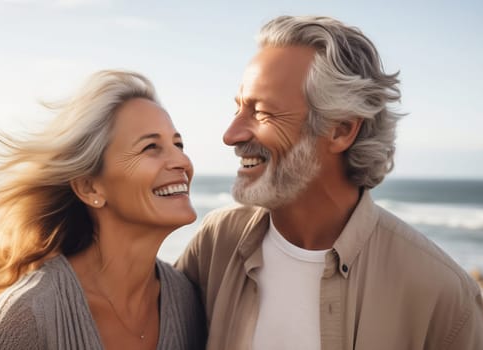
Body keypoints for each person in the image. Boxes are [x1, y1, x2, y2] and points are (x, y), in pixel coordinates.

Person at [176, 15, 483, 350]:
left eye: (262, 112)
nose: (231, 134)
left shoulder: (442, 294)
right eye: (238, 108)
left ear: (340, 129)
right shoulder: (216, 243)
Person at [0, 70, 206, 350]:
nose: (182, 160)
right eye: (151, 147)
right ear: (90, 188)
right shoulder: (29, 314)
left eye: (178, 144)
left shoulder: (187, 300)